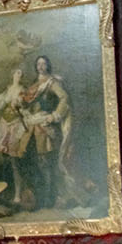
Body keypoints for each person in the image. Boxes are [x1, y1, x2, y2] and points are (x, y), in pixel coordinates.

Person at [23, 55, 71, 210]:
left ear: (48, 66)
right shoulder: (34, 85)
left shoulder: (52, 82)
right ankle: (38, 198)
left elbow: (64, 98)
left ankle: (49, 198)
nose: (41, 66)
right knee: (33, 163)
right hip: (32, 127)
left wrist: (54, 115)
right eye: (38, 64)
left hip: (45, 127)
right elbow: (27, 103)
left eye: (43, 64)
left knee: (46, 163)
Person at [0, 67, 32, 204]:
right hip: (4, 124)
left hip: (16, 126)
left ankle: (18, 194)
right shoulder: (8, 90)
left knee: (15, 162)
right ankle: (4, 192)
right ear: (13, 74)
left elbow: (27, 108)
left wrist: (20, 105)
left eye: (21, 73)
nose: (19, 75)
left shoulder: (25, 90)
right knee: (5, 160)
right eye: (17, 72)